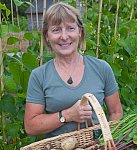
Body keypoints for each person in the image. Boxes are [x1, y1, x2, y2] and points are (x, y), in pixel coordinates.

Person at [24, 2, 123, 138]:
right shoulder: (39, 76)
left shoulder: (101, 68)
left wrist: (107, 141)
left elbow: (116, 113)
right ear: (47, 36)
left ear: (80, 32)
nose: (64, 36)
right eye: (56, 30)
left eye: (70, 28)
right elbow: (30, 127)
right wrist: (67, 115)